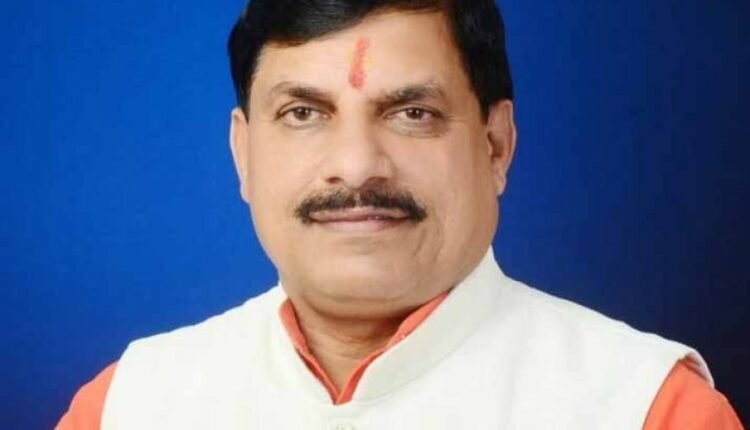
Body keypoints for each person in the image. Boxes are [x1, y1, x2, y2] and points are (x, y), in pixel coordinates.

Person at [58, 0, 743, 428]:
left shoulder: (647, 407)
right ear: (243, 154)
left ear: (496, 145)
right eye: (303, 113)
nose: (357, 166)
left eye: (412, 113)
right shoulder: (127, 406)